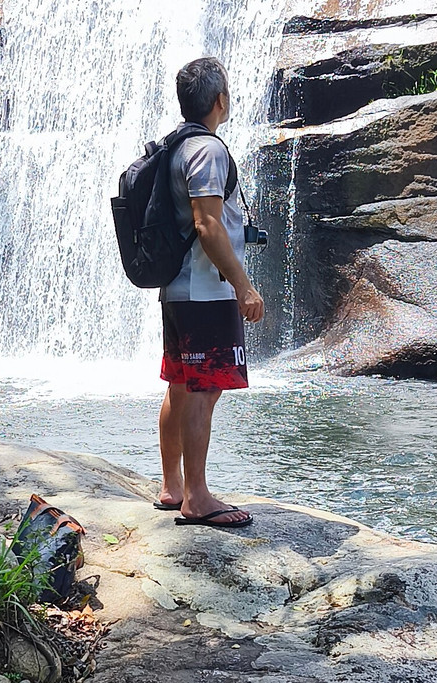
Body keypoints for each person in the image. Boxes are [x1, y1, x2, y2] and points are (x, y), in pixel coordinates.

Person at [155, 57, 264, 528]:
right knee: (204, 389)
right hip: (207, 292)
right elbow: (207, 224)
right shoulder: (208, 150)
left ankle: (172, 486)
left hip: (177, 290)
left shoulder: (173, 147)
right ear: (220, 100)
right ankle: (197, 497)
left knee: (180, 384)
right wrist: (243, 285)